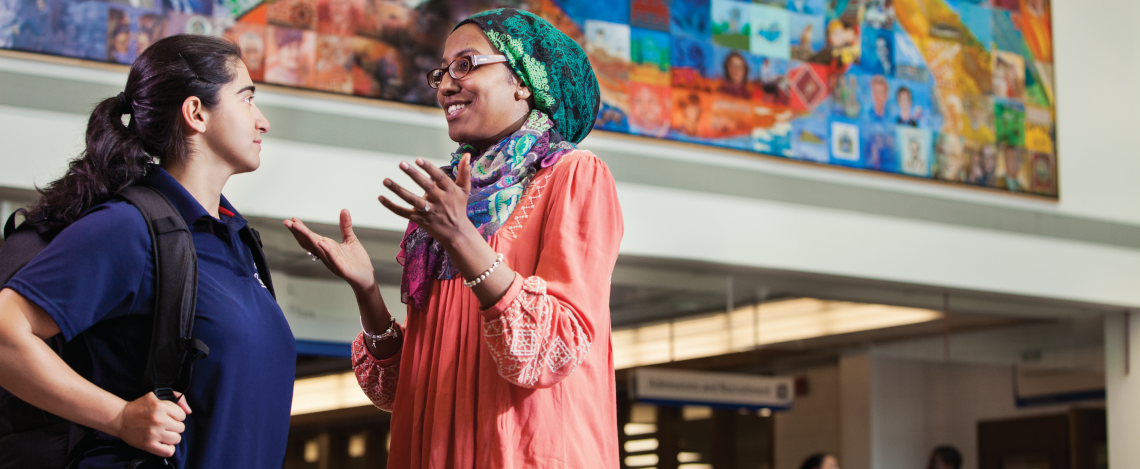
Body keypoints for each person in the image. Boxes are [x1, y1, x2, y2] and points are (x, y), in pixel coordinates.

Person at [283, 8, 622, 468]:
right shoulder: (446, 199)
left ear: (523, 79)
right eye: (442, 71)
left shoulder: (573, 175)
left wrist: (462, 237)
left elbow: (550, 350)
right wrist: (367, 292)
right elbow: (406, 386)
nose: (445, 85)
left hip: (528, 453)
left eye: (466, 64)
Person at [0, 34, 292, 467]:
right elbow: (6, 334)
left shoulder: (233, 237)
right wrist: (119, 417)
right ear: (196, 113)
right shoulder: (130, 227)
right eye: (247, 99)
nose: (262, 120)